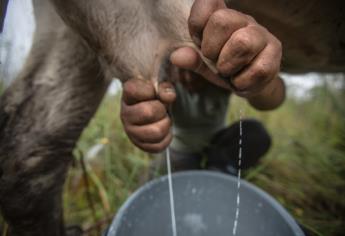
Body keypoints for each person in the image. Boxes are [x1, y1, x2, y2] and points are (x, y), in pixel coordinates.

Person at [120, 0, 285, 177]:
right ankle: (208, 170)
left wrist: (259, 77)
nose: (189, 76)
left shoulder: (224, 76)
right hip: (180, 149)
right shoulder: (163, 82)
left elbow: (273, 98)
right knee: (152, 179)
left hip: (218, 143)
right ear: (170, 66)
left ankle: (220, 169)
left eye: (197, 69)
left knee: (256, 133)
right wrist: (141, 114)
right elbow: (145, 109)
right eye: (181, 69)